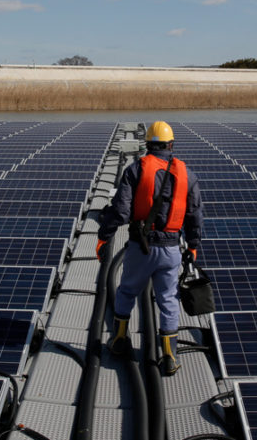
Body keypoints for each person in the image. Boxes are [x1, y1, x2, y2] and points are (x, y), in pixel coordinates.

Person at [96, 120, 203, 376]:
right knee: (168, 300)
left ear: (147, 145)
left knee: (126, 291)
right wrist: (194, 246)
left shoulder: (135, 170)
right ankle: (169, 355)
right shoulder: (186, 174)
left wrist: (104, 236)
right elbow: (195, 215)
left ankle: (120, 340)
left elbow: (121, 212)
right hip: (170, 250)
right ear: (171, 144)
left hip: (140, 248)